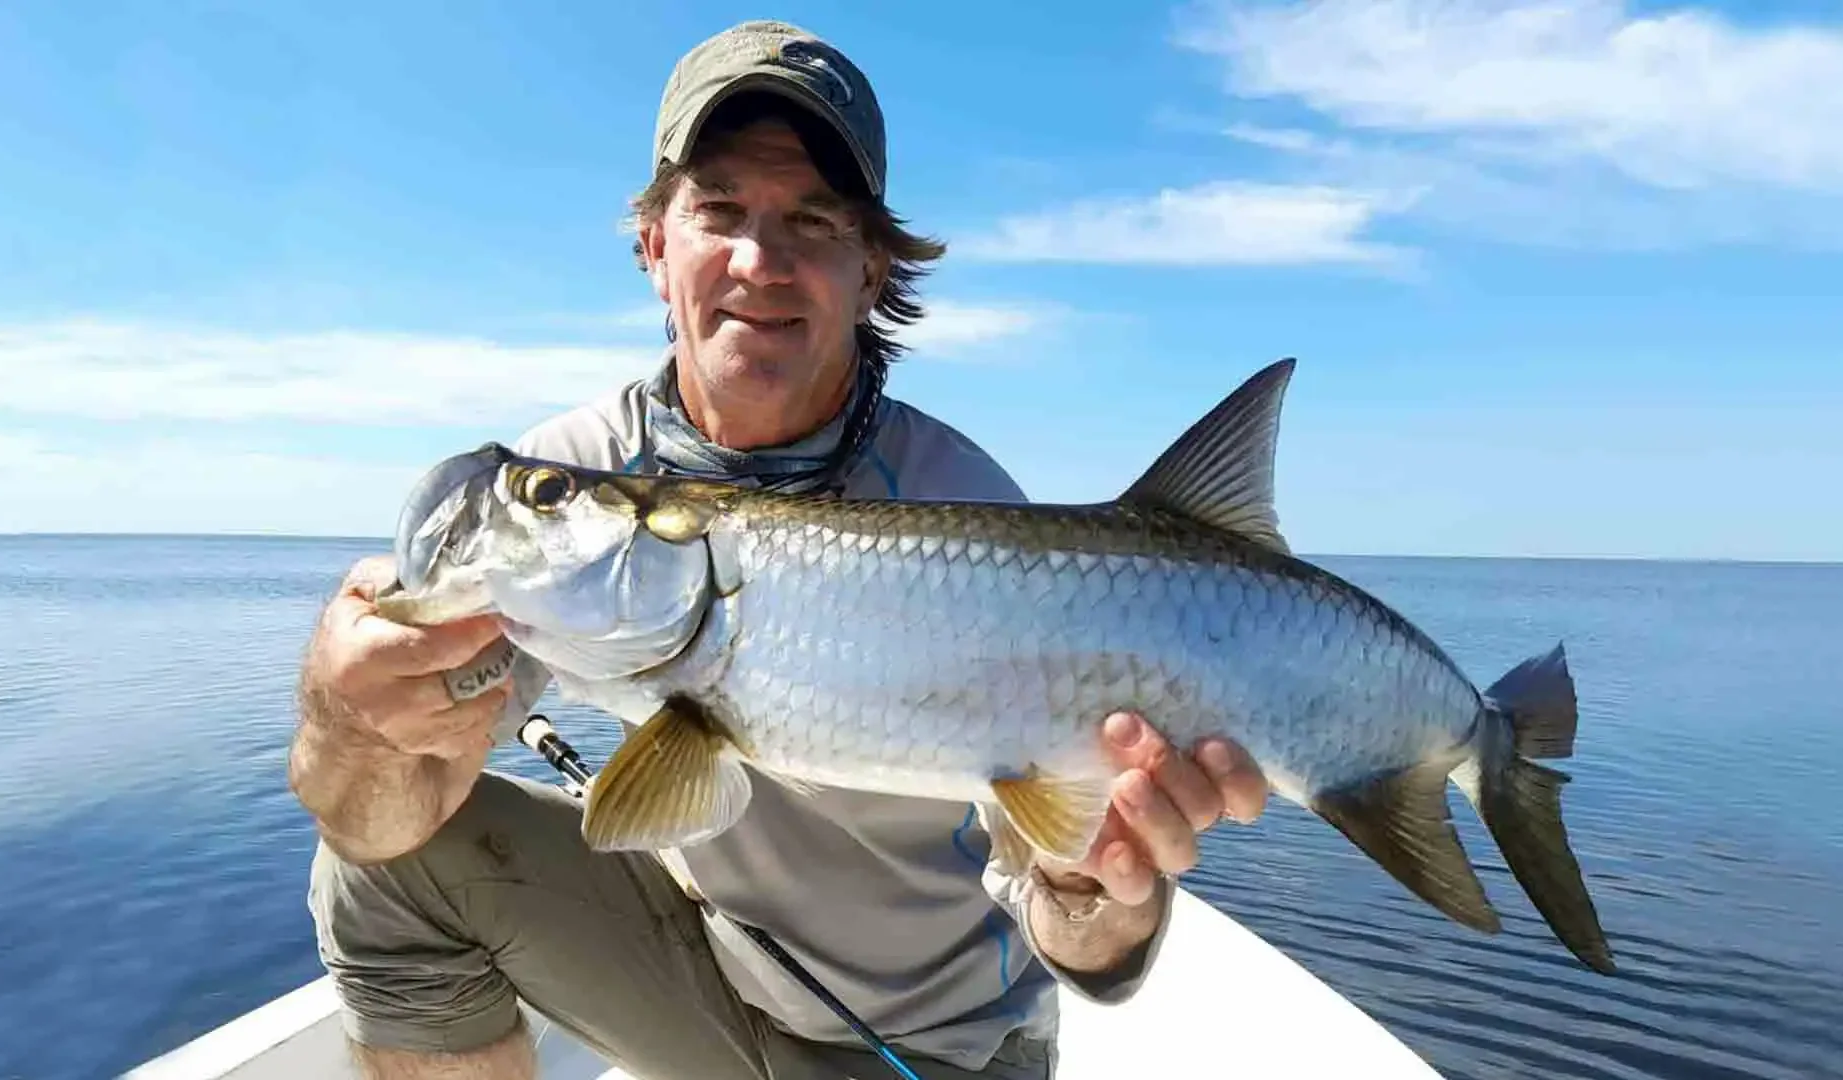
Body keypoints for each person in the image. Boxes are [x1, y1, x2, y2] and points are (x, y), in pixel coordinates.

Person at [290, 19, 1272, 1080]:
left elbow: (1087, 949)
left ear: (871, 270)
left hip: (935, 1047)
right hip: (708, 973)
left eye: (813, 220)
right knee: (378, 871)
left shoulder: (965, 508)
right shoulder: (575, 483)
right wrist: (352, 722)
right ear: (654, 245)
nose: (761, 262)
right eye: (718, 211)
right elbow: (384, 815)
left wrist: (1094, 891)